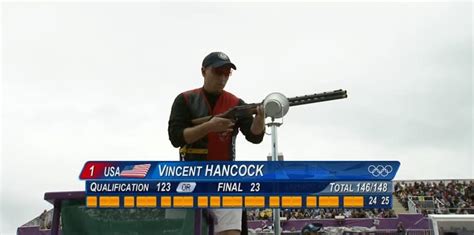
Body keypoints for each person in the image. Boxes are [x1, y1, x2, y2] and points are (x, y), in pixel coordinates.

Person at [168, 51, 266, 235]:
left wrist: (260, 119)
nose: (222, 78)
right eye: (217, 72)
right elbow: (176, 137)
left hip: (226, 178)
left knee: (231, 231)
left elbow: (254, 137)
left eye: (226, 73)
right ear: (204, 71)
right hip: (191, 177)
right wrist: (209, 127)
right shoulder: (185, 100)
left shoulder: (236, 103)